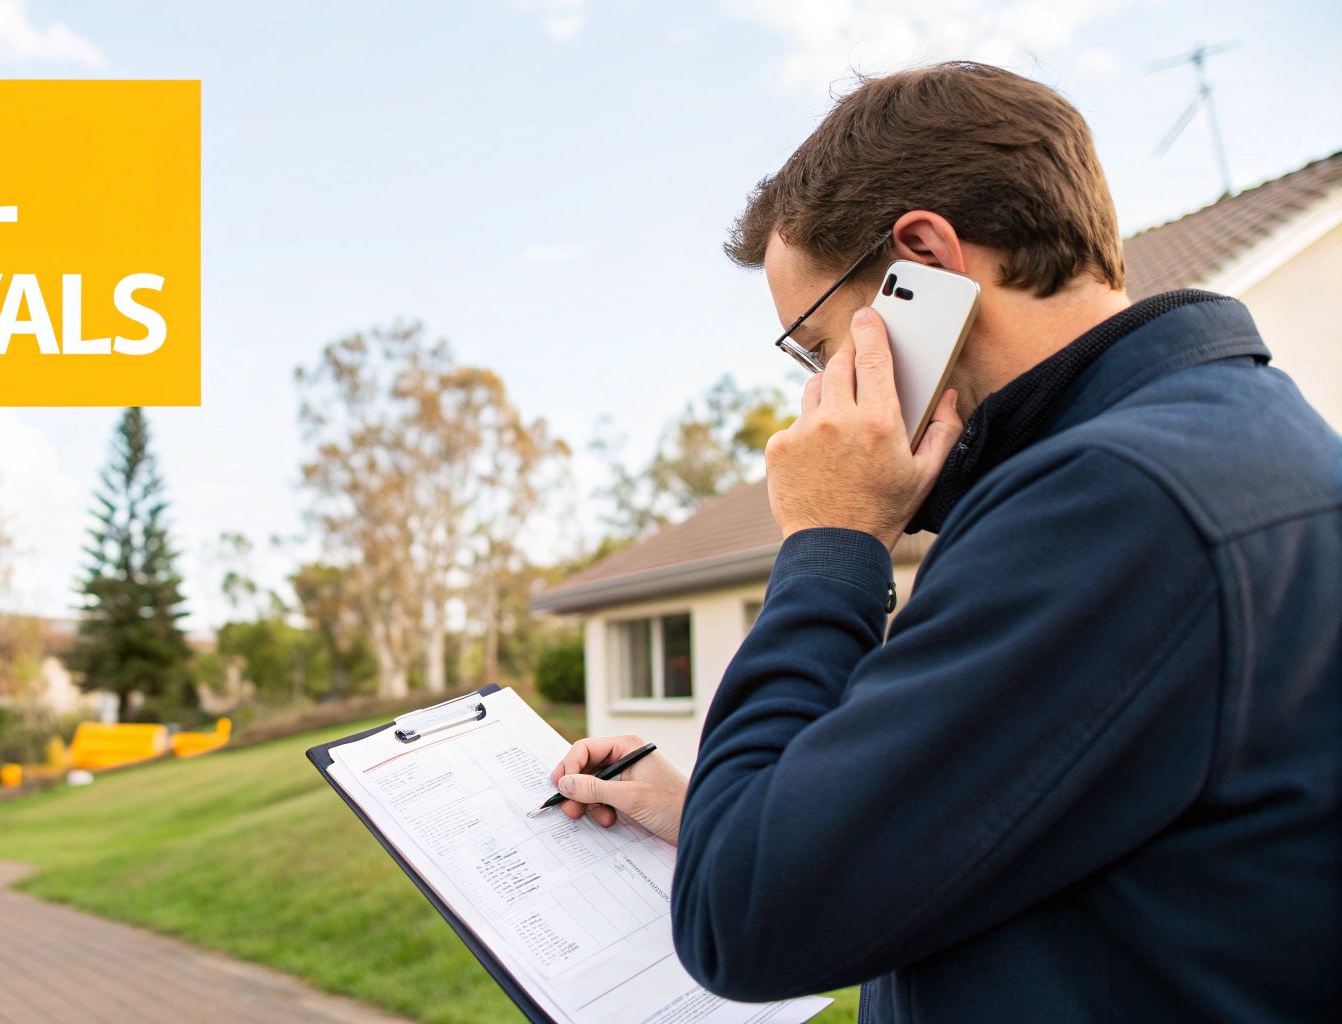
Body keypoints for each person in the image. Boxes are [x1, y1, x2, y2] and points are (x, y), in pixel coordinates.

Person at [548, 62, 1341, 1022]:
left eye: (815, 341)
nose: (815, 392)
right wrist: (705, 813)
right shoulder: (1204, 449)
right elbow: (1027, 816)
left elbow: (743, 918)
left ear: (923, 262)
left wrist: (831, 538)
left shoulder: (1116, 504)